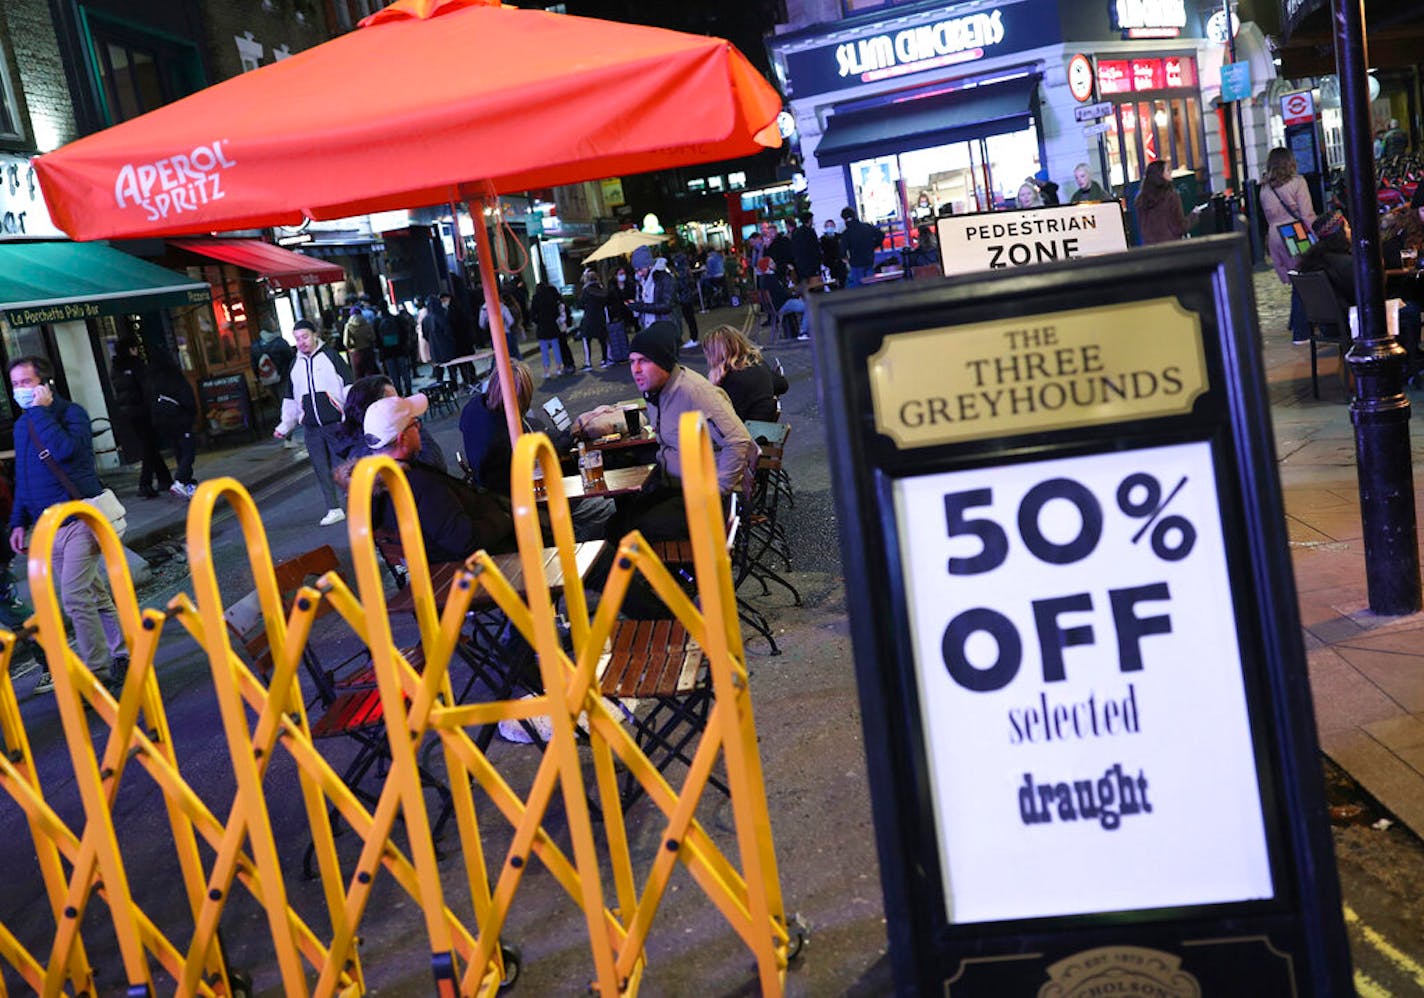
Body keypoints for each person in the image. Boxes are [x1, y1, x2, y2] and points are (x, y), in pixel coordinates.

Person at [8, 356, 127, 696]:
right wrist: (18, 522)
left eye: (26, 383)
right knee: (91, 591)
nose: (20, 391)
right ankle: (122, 650)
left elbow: (65, 452)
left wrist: (41, 412)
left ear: (46, 385)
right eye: (15, 384)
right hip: (49, 528)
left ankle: (98, 675)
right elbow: (24, 480)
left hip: (79, 520)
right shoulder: (22, 426)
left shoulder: (72, 414)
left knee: (75, 597)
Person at [358, 394, 515, 564]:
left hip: (442, 568)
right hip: (480, 567)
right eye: (415, 424)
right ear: (402, 438)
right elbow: (466, 541)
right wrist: (506, 517)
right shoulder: (419, 486)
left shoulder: (376, 487)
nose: (419, 429)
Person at [274, 319, 353, 527]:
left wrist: (351, 415)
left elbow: (348, 386)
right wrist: (285, 425)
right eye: (297, 338)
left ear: (315, 335)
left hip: (335, 423)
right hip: (311, 428)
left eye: (305, 336)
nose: (301, 342)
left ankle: (355, 502)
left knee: (343, 467)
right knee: (321, 469)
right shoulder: (295, 365)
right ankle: (333, 508)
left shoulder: (331, 356)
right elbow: (290, 398)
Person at [1260, 147, 1318, 343]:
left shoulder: (1265, 188)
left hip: (1274, 235)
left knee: (1295, 278)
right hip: (1295, 232)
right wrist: (1317, 235)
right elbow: (1307, 214)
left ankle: (1295, 321)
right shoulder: (1298, 183)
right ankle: (1301, 332)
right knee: (1304, 278)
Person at [335, 375, 447, 471]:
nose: (400, 402)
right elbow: (433, 465)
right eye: (393, 401)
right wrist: (411, 425)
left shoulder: (358, 443)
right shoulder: (367, 454)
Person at [109, 337, 172, 498]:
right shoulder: (137, 365)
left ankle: (165, 479)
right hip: (143, 411)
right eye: (134, 348)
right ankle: (145, 484)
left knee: (150, 446)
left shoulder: (116, 368)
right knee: (149, 448)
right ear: (131, 349)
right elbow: (147, 388)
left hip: (128, 414)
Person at [701, 324, 789, 422]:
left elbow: (725, 420)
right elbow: (783, 385)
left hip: (748, 433)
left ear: (716, 354)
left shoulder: (732, 380)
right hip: (763, 428)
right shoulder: (757, 363)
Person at [147, 350, 199, 498]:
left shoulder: (153, 379)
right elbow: (187, 399)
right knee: (188, 451)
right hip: (180, 419)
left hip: (164, 422)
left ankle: (187, 484)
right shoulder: (174, 376)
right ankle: (181, 480)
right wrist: (192, 413)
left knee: (178, 450)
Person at [1134, 160, 1201, 245]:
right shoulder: (1171, 196)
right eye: (1168, 170)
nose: (1171, 172)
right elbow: (1179, 226)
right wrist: (1194, 215)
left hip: (1151, 248)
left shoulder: (1141, 199)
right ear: (1160, 174)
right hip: (1171, 247)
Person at [251, 322, 297, 441]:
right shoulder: (280, 342)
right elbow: (291, 359)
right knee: (286, 405)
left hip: (267, 380)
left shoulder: (255, 345)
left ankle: (283, 432)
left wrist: (261, 378)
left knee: (277, 404)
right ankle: (288, 436)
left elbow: (254, 365)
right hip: (283, 378)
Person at [628, 244, 677, 333]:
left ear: (649, 265)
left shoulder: (664, 278)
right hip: (648, 327)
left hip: (664, 328)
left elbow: (667, 305)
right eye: (636, 270)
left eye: (640, 269)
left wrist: (641, 307)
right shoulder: (641, 281)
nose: (639, 273)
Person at [531, 280, 575, 380]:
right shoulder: (551, 299)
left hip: (542, 328)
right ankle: (559, 368)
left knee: (544, 351)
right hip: (553, 327)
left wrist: (539, 321)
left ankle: (547, 371)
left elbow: (533, 316)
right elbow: (556, 313)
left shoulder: (535, 299)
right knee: (557, 348)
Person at [840, 207, 885, 288]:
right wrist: (874, 245)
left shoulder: (846, 233)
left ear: (844, 219)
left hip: (856, 263)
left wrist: (845, 258)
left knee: (859, 289)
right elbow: (881, 235)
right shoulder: (867, 226)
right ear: (855, 215)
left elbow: (842, 250)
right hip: (869, 260)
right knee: (872, 286)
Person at [377, 303, 415, 396]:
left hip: (387, 352)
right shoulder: (397, 319)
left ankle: (398, 390)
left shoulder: (377, 322)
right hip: (400, 350)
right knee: (404, 371)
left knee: (393, 374)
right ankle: (408, 389)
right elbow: (404, 333)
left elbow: (377, 340)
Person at [576, 270, 610, 369]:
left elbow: (580, 304)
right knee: (602, 339)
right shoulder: (601, 289)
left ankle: (588, 362)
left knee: (586, 339)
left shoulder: (586, 291)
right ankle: (605, 359)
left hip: (589, 318)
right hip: (600, 317)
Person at [421, 294, 457, 384]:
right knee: (451, 369)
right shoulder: (441, 316)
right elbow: (448, 331)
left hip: (434, 349)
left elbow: (425, 335)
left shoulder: (425, 319)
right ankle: (454, 385)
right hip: (447, 348)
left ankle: (441, 388)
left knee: (439, 372)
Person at [672, 253, 701, 348]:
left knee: (689, 318)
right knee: (690, 318)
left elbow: (681, 285)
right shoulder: (686, 269)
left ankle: (694, 338)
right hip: (687, 296)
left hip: (684, 298)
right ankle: (694, 338)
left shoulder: (681, 271)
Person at [343, 305, 378, 379]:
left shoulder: (348, 326)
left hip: (356, 353)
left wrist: (351, 347)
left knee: (358, 376)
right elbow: (373, 337)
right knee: (370, 374)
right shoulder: (366, 323)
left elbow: (346, 342)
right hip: (367, 351)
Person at [790, 211, 822, 293]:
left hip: (801, 267)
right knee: (816, 288)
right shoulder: (810, 232)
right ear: (809, 220)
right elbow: (815, 249)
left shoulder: (796, 233)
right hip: (812, 265)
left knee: (806, 290)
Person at [820, 219, 847, 288]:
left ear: (834, 226)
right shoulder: (823, 239)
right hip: (829, 264)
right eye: (828, 226)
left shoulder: (839, 237)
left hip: (840, 263)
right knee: (832, 284)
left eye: (831, 225)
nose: (830, 227)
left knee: (842, 282)